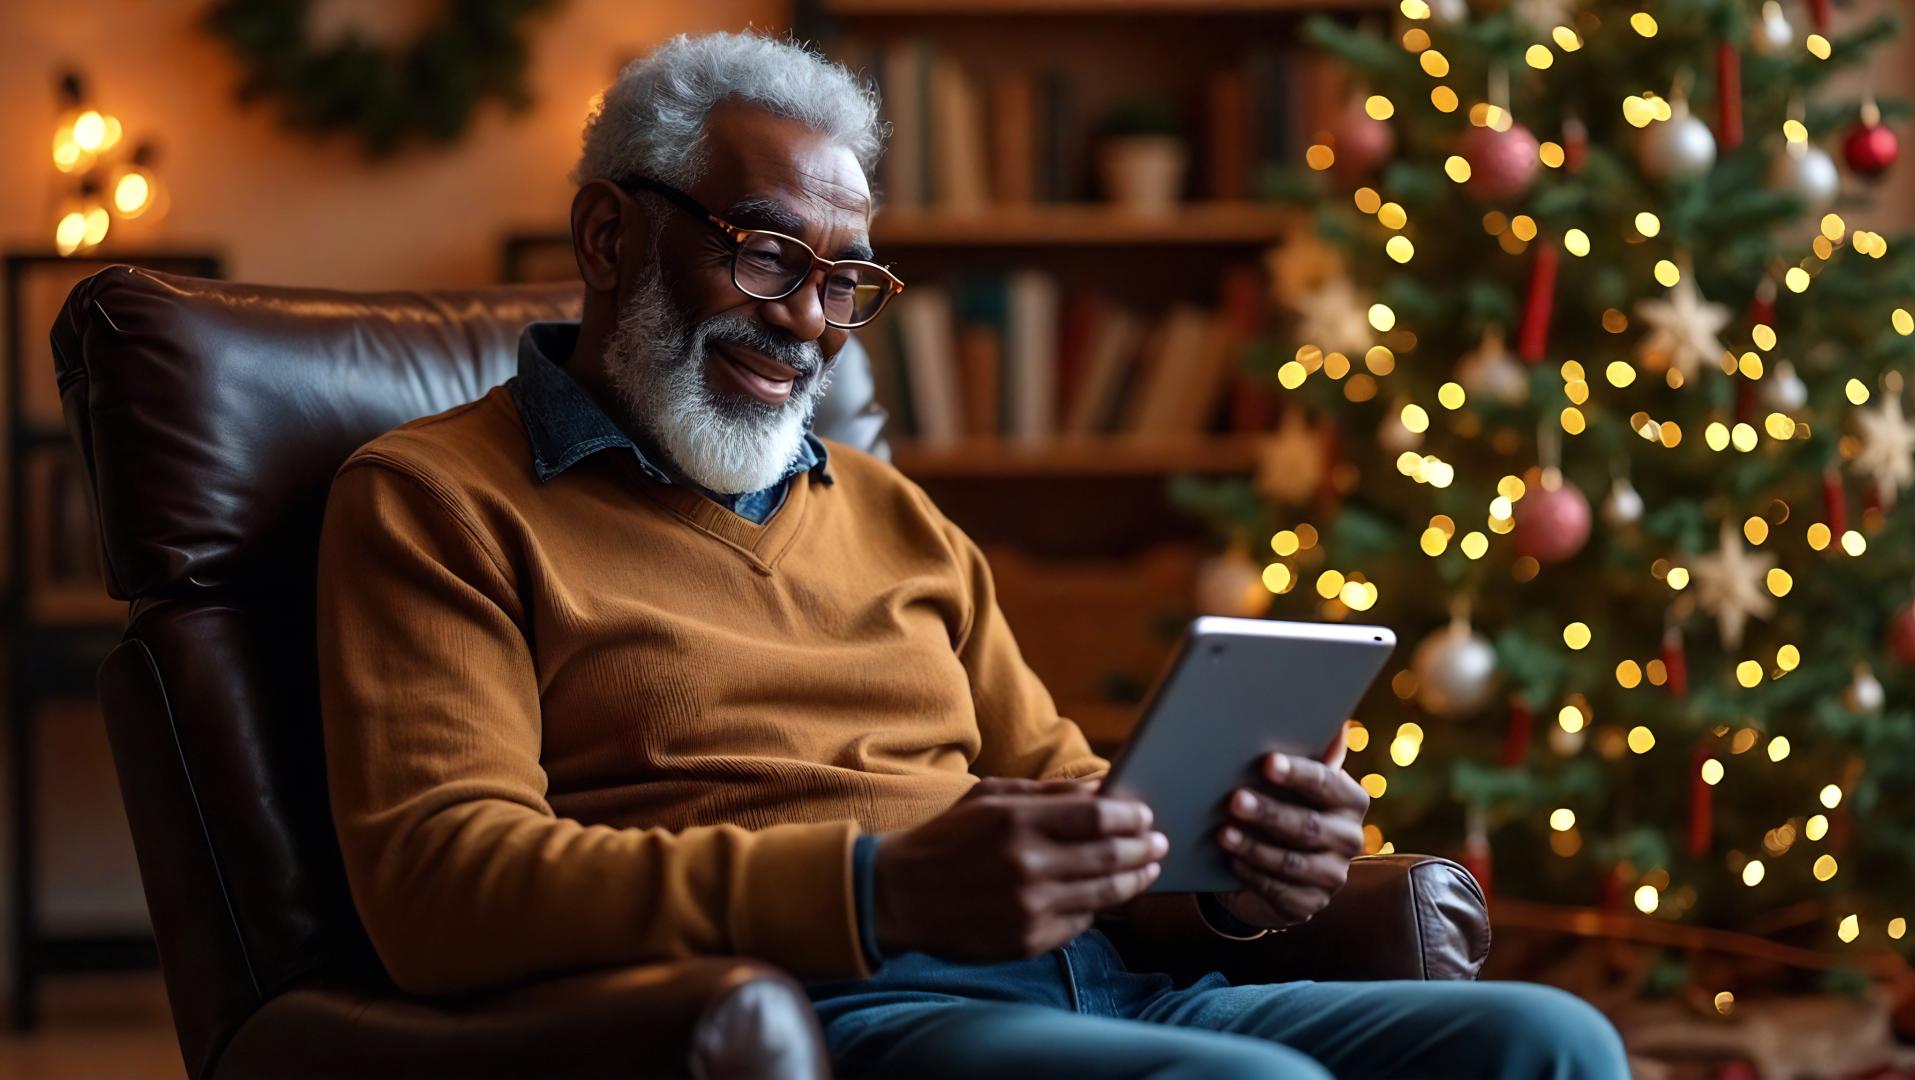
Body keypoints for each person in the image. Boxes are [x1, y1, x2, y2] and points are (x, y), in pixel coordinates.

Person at [316, 29, 1630, 1079]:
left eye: (847, 280)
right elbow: (445, 885)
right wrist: (877, 888)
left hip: (1105, 988)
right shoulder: (436, 503)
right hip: (839, 1014)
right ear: (609, 235)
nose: (812, 328)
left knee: (1550, 1042)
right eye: (770, 256)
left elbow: (1082, 811)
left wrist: (1232, 878)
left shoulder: (894, 516)